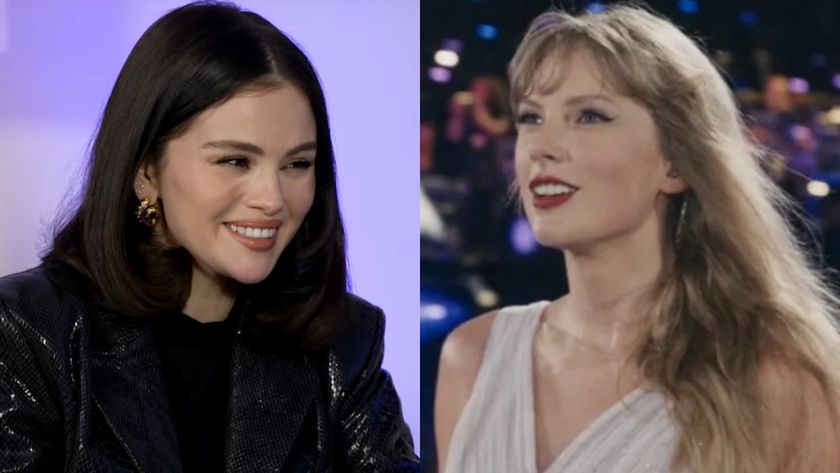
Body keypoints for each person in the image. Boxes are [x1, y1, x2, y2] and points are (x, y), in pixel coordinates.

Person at [0, 2, 418, 472]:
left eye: (297, 164)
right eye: (235, 161)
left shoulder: (345, 343)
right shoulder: (26, 329)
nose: (272, 198)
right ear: (146, 171)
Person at [436, 5, 840, 473]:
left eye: (588, 116)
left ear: (675, 162)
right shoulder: (472, 358)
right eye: (531, 117)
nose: (541, 145)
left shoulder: (781, 381)